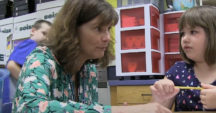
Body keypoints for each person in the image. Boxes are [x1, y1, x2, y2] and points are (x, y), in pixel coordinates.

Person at [12, 0, 171, 113]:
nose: (107, 37)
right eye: (98, 28)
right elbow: (29, 108)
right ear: (72, 30)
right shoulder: (41, 59)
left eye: (108, 29)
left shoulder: (89, 70)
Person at [6, 19, 51, 101]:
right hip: (17, 92)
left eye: (50, 36)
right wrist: (30, 83)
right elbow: (11, 65)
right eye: (44, 33)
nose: (46, 38)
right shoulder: (31, 43)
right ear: (33, 31)